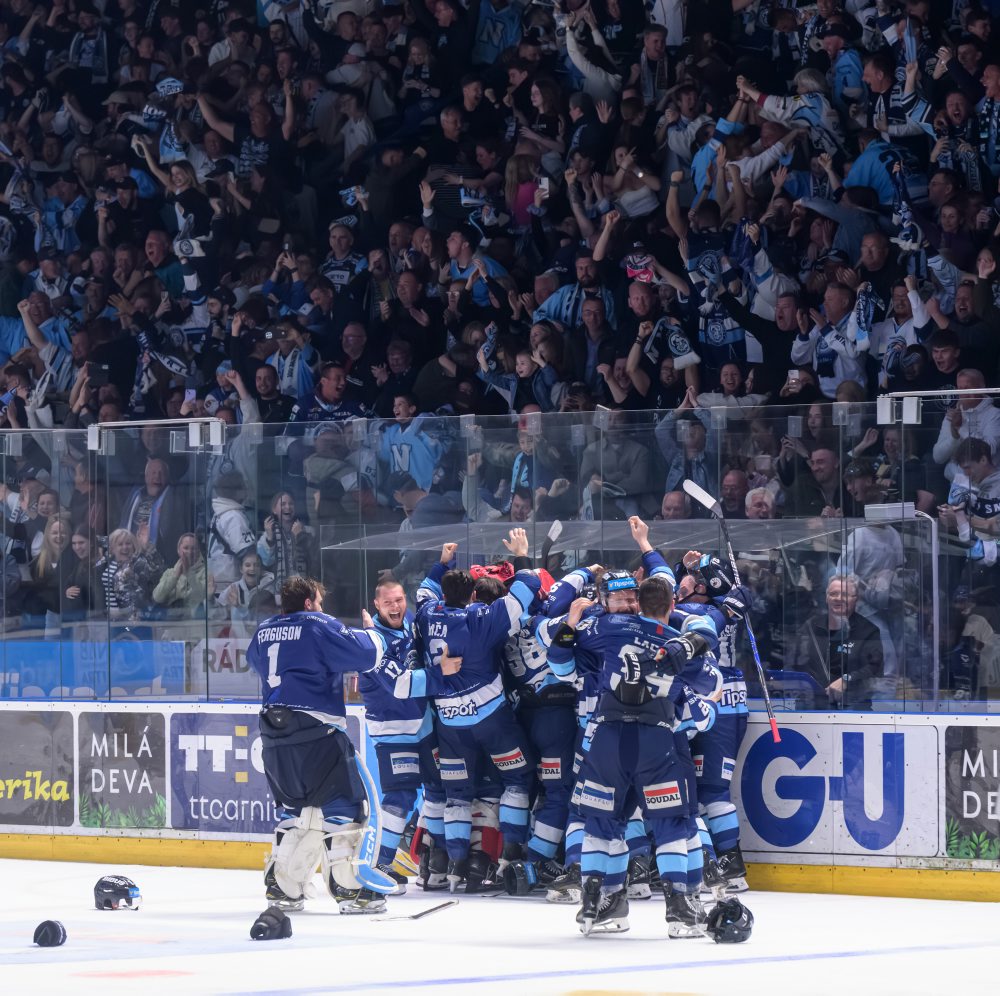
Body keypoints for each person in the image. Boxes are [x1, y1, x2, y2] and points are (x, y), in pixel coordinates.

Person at [248, 575, 401, 915]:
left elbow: (259, 661)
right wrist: (373, 631)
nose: (320, 606)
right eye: (318, 601)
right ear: (308, 602)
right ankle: (350, 887)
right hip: (316, 730)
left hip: (273, 733)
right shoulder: (317, 623)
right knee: (344, 806)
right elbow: (368, 653)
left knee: (297, 808)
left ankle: (283, 885)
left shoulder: (263, 631)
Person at [785, 574, 884, 711]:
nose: (838, 598)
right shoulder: (810, 626)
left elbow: (874, 667)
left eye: (844, 594)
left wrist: (846, 679)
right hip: (811, 706)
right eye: (833, 594)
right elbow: (792, 663)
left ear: (856, 599)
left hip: (853, 707)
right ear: (826, 598)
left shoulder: (868, 631)